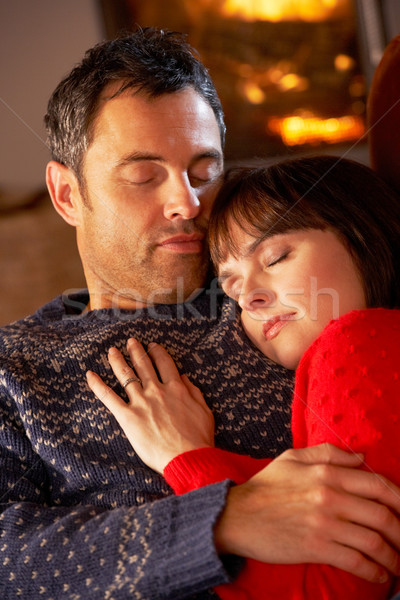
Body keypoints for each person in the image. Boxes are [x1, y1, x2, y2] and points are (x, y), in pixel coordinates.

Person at [1, 28, 400, 600]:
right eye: (144, 175)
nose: (187, 203)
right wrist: (222, 519)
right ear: (67, 195)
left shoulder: (298, 294)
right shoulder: (15, 366)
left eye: (204, 170)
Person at [87, 155, 400, 599]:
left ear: (364, 235)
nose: (248, 297)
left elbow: (333, 588)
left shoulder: (358, 341)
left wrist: (188, 458)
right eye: (230, 287)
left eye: (275, 257)